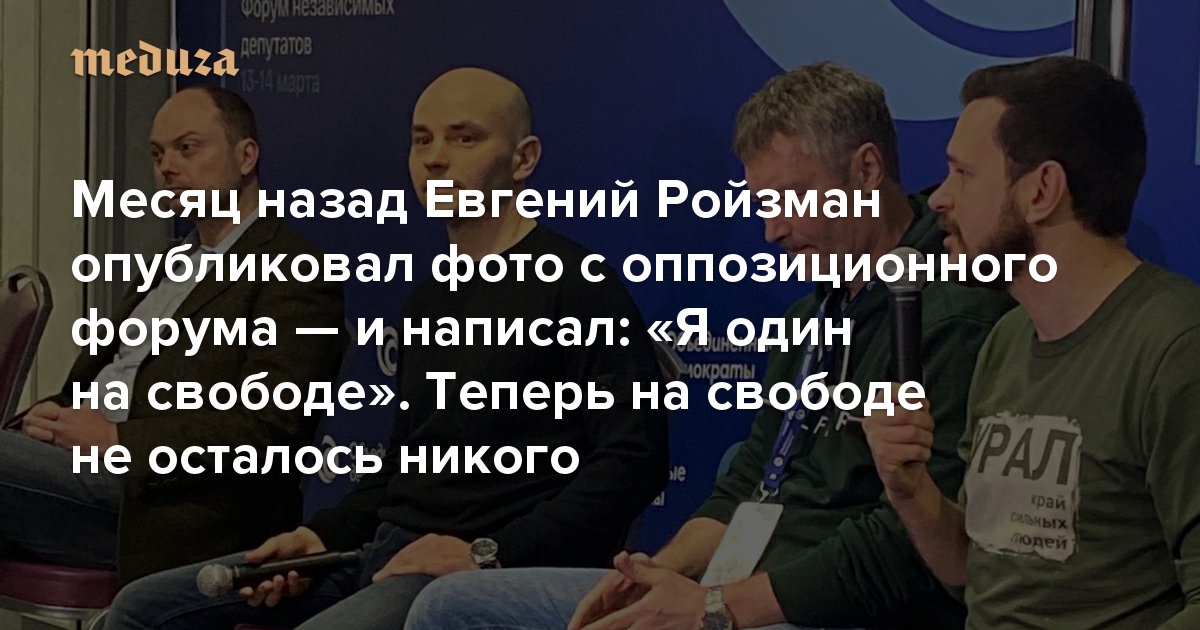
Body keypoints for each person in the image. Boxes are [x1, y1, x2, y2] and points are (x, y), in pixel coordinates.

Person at [403, 62, 1014, 630]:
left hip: (823, 608)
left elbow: (902, 551)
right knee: (451, 607)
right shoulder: (812, 315)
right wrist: (652, 579)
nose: (773, 232)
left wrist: (714, 609)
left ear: (867, 170)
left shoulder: (950, 314)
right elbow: (750, 479)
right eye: (763, 206)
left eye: (791, 201)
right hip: (736, 588)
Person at [102, 67, 669, 630]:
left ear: (523, 159)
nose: (436, 158)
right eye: (422, 140)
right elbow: (405, 469)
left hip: (481, 573)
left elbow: (632, 462)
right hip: (380, 552)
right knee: (143, 608)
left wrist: (489, 553)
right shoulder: (430, 297)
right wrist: (319, 538)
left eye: (464, 138)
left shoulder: (579, 286)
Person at [864, 56, 1200, 629]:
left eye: (963, 174)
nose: (939, 198)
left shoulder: (1175, 347)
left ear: (1042, 190)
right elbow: (973, 569)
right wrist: (909, 487)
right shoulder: (1006, 339)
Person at [0, 85, 346, 583]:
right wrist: (50, 417)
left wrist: (117, 440)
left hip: (163, 506)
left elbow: (267, 429)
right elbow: (106, 379)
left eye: (187, 148)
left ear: (246, 156)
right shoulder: (169, 261)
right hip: (76, 472)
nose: (167, 167)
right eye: (158, 154)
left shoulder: (294, 269)